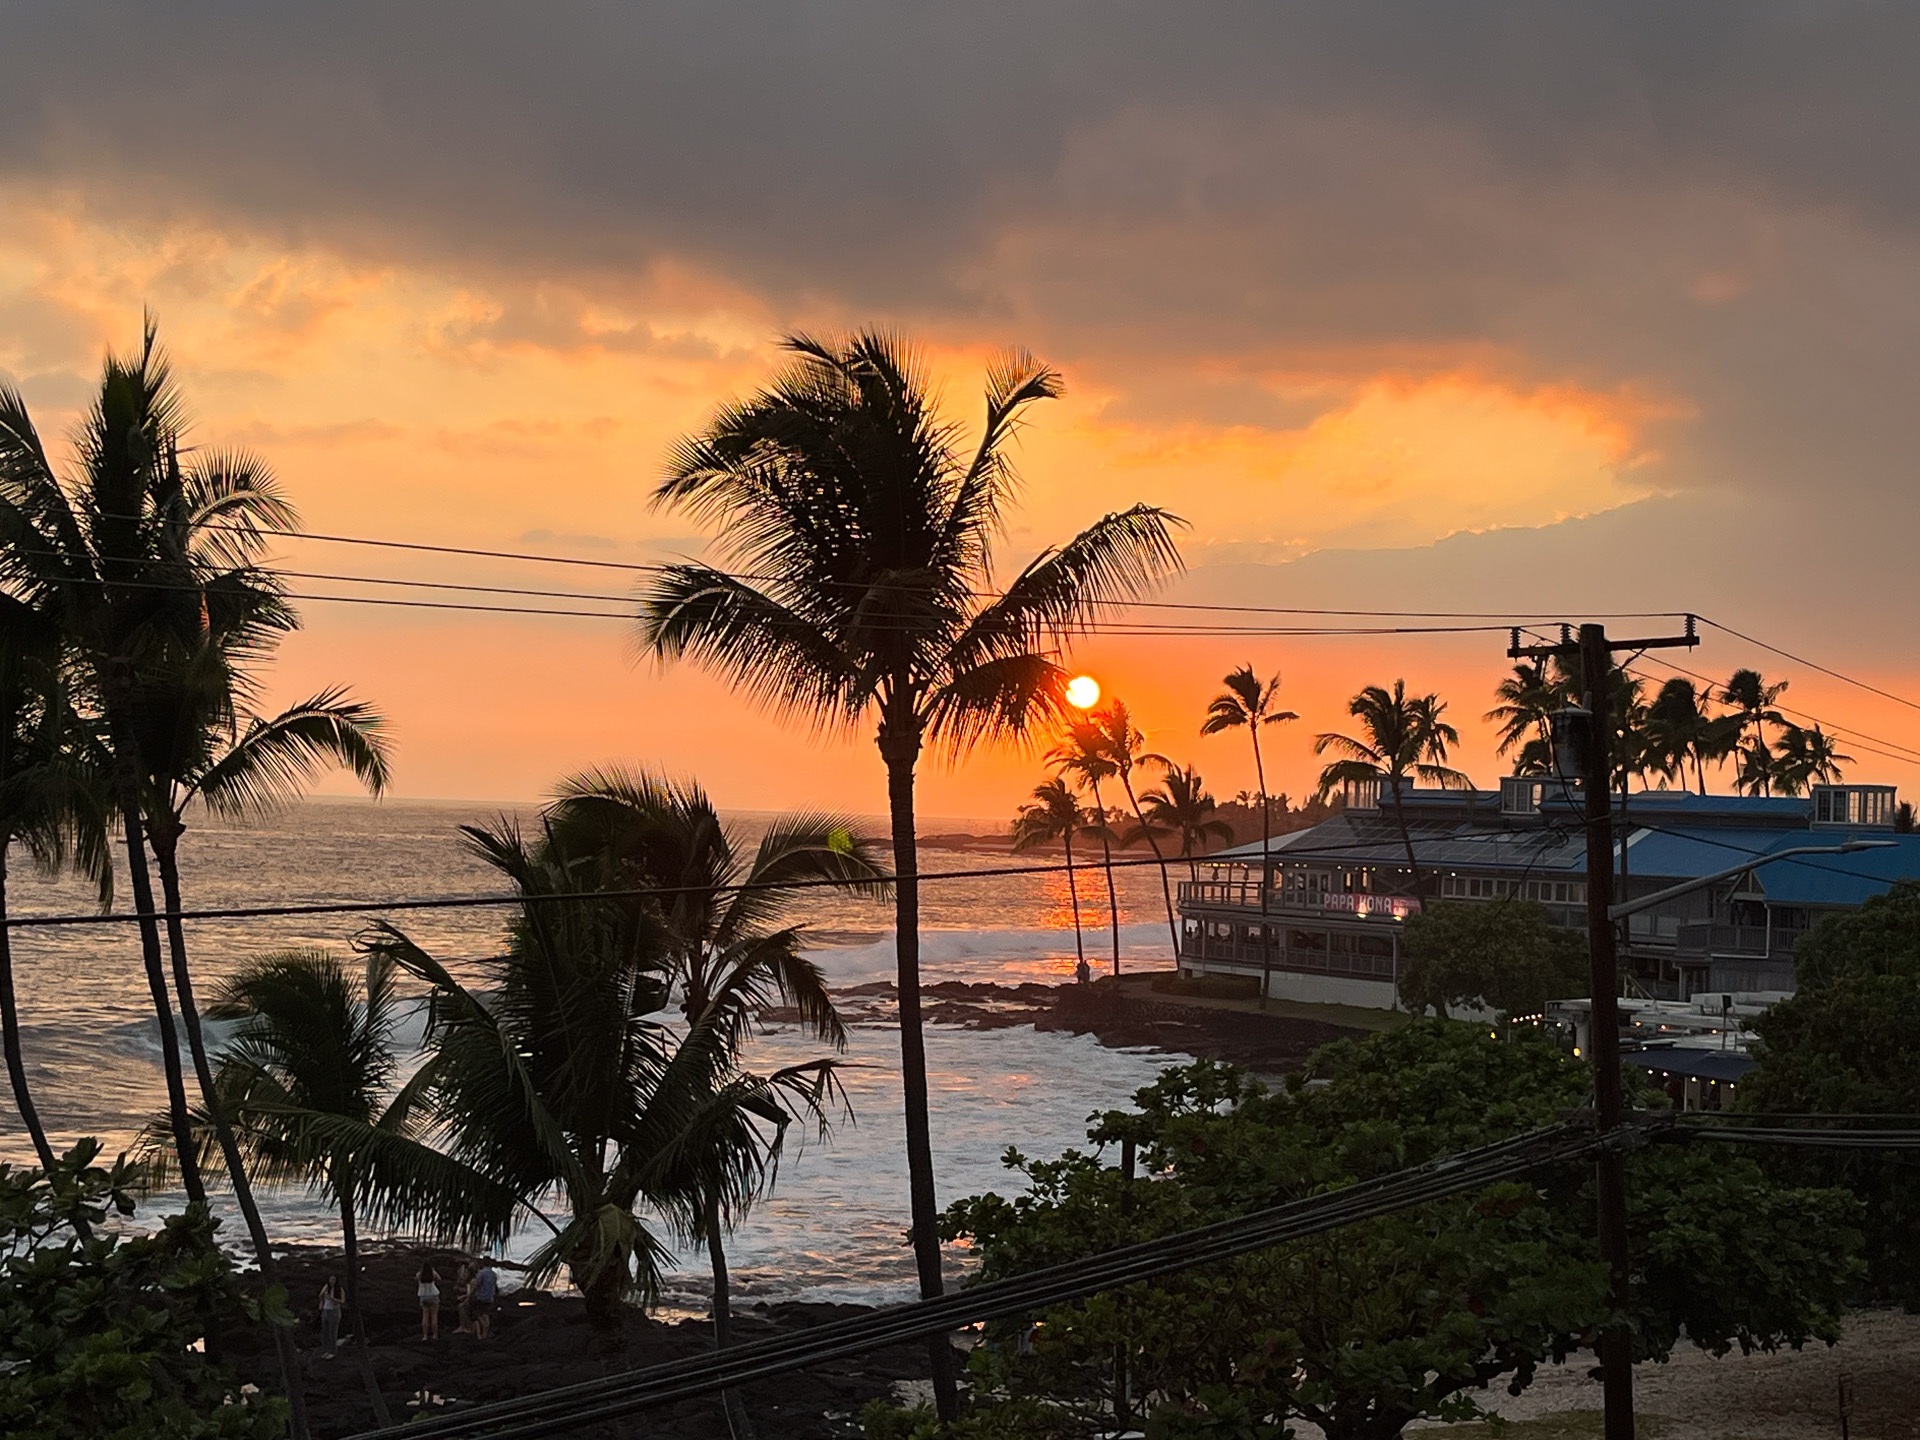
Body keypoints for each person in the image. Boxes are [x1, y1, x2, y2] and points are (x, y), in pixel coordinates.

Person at [471, 1257, 498, 1340]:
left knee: (477, 1314)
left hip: (481, 1296)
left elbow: (477, 1284)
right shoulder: (493, 1274)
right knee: (486, 1314)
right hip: (490, 1297)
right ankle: (485, 1333)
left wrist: (471, 1294)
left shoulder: (481, 1273)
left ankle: (483, 1328)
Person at [317, 1276, 344, 1359]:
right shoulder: (326, 1287)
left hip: (334, 1311)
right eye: (330, 1279)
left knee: (332, 1332)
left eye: (333, 1280)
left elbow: (342, 1301)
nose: (331, 1281)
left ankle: (332, 1351)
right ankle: (325, 1350)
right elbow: (321, 1295)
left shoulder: (339, 1289)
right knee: (325, 1331)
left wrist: (333, 1299)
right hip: (326, 1310)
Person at [417, 1260, 442, 1341]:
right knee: (434, 1316)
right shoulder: (432, 1273)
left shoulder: (420, 1274)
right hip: (433, 1295)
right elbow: (439, 1278)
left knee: (425, 1316)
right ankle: (435, 1335)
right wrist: (433, 1270)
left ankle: (425, 1336)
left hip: (423, 1295)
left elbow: (416, 1278)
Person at [450, 1261, 473, 1335]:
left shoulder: (470, 1280)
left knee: (464, 1310)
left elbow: (469, 1291)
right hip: (461, 1297)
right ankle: (463, 1326)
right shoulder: (460, 1278)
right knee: (461, 1309)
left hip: (465, 1298)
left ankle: (466, 1327)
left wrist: (462, 1295)